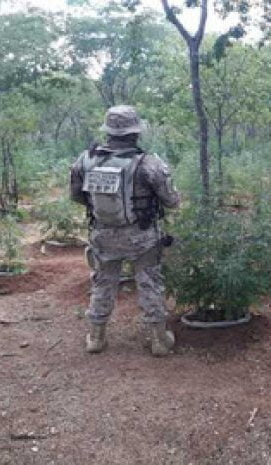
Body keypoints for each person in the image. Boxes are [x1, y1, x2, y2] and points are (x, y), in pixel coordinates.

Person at [70, 105, 180, 356]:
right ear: (135, 133)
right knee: (150, 283)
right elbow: (172, 201)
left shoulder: (85, 161)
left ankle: (96, 338)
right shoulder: (148, 164)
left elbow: (76, 196)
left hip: (102, 235)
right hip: (142, 237)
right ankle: (159, 340)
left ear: (108, 132)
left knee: (102, 283)